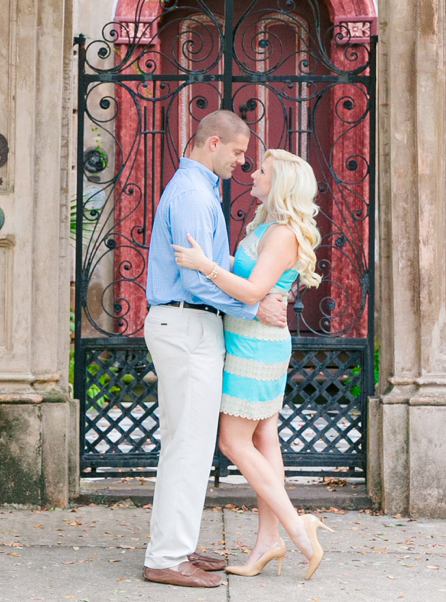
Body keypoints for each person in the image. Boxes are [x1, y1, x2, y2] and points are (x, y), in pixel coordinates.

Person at [140, 110, 291, 589]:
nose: (243, 164)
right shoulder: (191, 193)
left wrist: (257, 293)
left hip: (194, 325)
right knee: (187, 446)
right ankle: (165, 557)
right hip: (185, 321)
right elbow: (194, 279)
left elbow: (215, 266)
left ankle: (177, 547)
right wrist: (253, 310)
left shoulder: (200, 191)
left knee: (190, 444)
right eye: (238, 152)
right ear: (212, 143)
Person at [172, 148, 333, 581]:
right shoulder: (264, 225)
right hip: (250, 338)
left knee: (233, 442)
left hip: (256, 346)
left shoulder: (281, 233)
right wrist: (221, 266)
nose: (253, 172)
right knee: (264, 438)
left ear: (278, 184)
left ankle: (298, 529)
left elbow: (252, 290)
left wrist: (205, 266)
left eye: (262, 170)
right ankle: (268, 541)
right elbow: (251, 281)